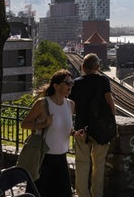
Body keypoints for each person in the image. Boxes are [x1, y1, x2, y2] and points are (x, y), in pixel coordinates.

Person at [21, 69, 82, 197]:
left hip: (61, 158)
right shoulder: (43, 104)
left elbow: (65, 128)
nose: (70, 86)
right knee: (39, 193)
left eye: (72, 83)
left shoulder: (70, 104)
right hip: (43, 158)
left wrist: (74, 133)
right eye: (67, 83)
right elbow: (24, 124)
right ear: (56, 85)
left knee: (64, 193)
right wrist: (42, 124)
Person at [69, 53, 116, 197]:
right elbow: (110, 102)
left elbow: (72, 106)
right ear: (98, 67)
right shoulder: (103, 80)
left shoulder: (76, 83)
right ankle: (97, 194)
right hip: (100, 128)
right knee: (99, 164)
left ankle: (83, 194)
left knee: (82, 163)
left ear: (83, 67)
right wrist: (111, 120)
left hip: (81, 128)